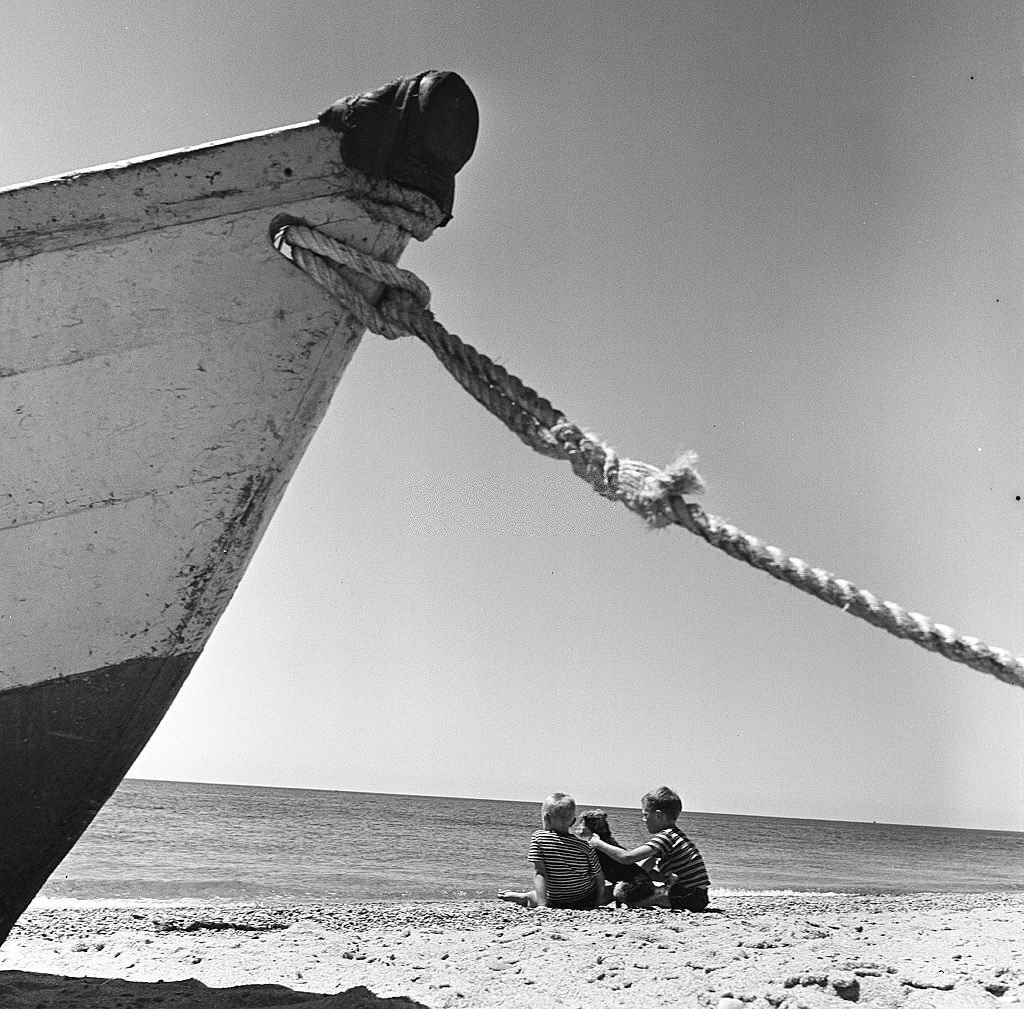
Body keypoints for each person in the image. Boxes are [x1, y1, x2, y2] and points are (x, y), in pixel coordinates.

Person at [585, 786, 711, 912]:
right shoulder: (675, 836)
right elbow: (649, 869)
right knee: (627, 888)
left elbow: (627, 857)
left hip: (689, 895)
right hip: (696, 894)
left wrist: (598, 843)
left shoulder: (666, 837)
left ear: (658, 815)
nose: (643, 820)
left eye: (645, 815)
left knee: (631, 895)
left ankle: (590, 899)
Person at [499, 793, 606, 909]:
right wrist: (596, 902)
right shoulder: (585, 846)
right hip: (584, 900)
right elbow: (599, 877)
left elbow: (539, 873)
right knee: (610, 891)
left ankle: (527, 897)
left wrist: (542, 906)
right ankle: (528, 897)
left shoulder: (539, 838)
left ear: (546, 818)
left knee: (537, 896)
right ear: (573, 821)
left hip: (555, 900)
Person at [578, 809, 662, 907]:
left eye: (582, 824)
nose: (579, 828)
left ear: (591, 826)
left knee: (616, 892)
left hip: (636, 886)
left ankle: (633, 902)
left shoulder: (599, 848)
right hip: (640, 883)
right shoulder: (609, 845)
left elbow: (598, 876)